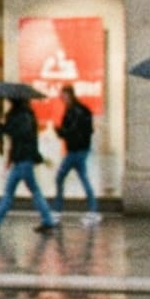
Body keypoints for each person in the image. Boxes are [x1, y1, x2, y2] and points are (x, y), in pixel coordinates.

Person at [0, 97, 59, 233]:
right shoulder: (27, 115)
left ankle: (47, 220)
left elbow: (17, 134)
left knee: (19, 191)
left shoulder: (21, 116)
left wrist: (2, 125)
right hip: (23, 159)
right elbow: (18, 134)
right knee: (24, 191)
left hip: (22, 159)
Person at [53, 89, 100, 224]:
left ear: (70, 96)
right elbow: (87, 130)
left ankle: (57, 210)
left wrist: (60, 131)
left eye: (64, 97)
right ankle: (93, 210)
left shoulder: (74, 111)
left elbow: (71, 130)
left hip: (75, 150)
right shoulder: (81, 110)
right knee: (82, 178)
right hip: (80, 149)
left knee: (61, 177)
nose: (62, 99)